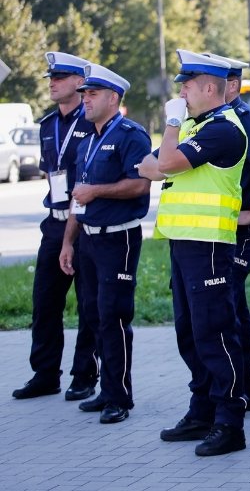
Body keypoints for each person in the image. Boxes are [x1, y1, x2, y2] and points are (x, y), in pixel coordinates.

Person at [138, 49, 248, 457]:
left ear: (208, 87)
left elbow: (162, 162)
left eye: (186, 85)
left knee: (215, 333)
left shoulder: (222, 129)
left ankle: (229, 421)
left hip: (211, 248)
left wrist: (170, 126)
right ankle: (202, 409)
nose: (181, 92)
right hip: (185, 244)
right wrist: (166, 157)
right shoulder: (197, 126)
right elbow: (148, 167)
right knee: (189, 332)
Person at [58, 64, 151, 424]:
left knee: (114, 317)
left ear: (113, 98)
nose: (85, 100)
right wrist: (68, 242)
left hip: (119, 238)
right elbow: (77, 197)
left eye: (92, 94)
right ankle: (105, 389)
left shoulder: (132, 135)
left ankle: (119, 397)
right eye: (83, 94)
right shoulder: (88, 138)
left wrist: (96, 191)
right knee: (94, 316)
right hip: (89, 241)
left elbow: (140, 185)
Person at [12, 52, 98, 402]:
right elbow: (52, 173)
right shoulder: (48, 124)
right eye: (51, 77)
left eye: (59, 77)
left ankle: (84, 375)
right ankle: (45, 373)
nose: (51, 83)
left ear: (79, 83)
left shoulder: (91, 121)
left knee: (89, 303)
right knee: (44, 301)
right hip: (55, 222)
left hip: (86, 224)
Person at [206, 52, 250, 411]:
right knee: (228, 307)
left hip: (242, 231)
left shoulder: (248, 118)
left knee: (231, 307)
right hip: (216, 229)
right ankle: (241, 388)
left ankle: (245, 389)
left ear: (231, 85)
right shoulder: (209, 119)